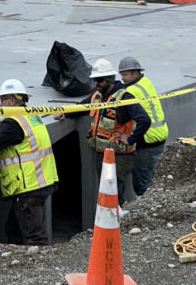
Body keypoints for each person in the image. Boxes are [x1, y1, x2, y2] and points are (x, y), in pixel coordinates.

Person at [0, 79, 59, 245]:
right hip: (41, 182)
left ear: (12, 101)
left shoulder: (13, 122)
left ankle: (40, 266)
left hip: (28, 187)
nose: (0, 105)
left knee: (34, 235)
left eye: (3, 100)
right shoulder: (32, 116)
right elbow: (15, 135)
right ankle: (23, 262)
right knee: (14, 229)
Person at [55, 57, 150, 208]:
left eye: (100, 81)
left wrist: (131, 139)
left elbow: (145, 120)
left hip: (119, 157)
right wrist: (66, 114)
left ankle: (116, 226)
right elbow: (82, 107)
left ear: (110, 80)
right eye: (95, 80)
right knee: (106, 194)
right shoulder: (97, 96)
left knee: (114, 195)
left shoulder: (124, 98)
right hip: (102, 154)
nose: (96, 84)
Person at [118, 55, 168, 199]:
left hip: (147, 141)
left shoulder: (132, 92)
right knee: (152, 178)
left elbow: (122, 117)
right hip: (159, 137)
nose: (122, 78)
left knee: (142, 184)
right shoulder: (145, 82)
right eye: (121, 74)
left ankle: (148, 211)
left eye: (125, 74)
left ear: (135, 73)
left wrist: (132, 138)